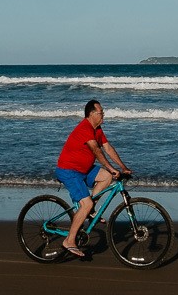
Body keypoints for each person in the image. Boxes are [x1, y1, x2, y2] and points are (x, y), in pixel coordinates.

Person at [54, 100, 130, 258]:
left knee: (106, 177)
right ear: (91, 114)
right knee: (86, 203)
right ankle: (69, 241)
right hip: (69, 171)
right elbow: (97, 151)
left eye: (103, 112)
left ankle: (90, 211)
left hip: (84, 169)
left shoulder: (98, 129)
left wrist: (123, 167)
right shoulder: (85, 128)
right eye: (101, 112)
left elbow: (107, 148)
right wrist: (111, 167)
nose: (103, 115)